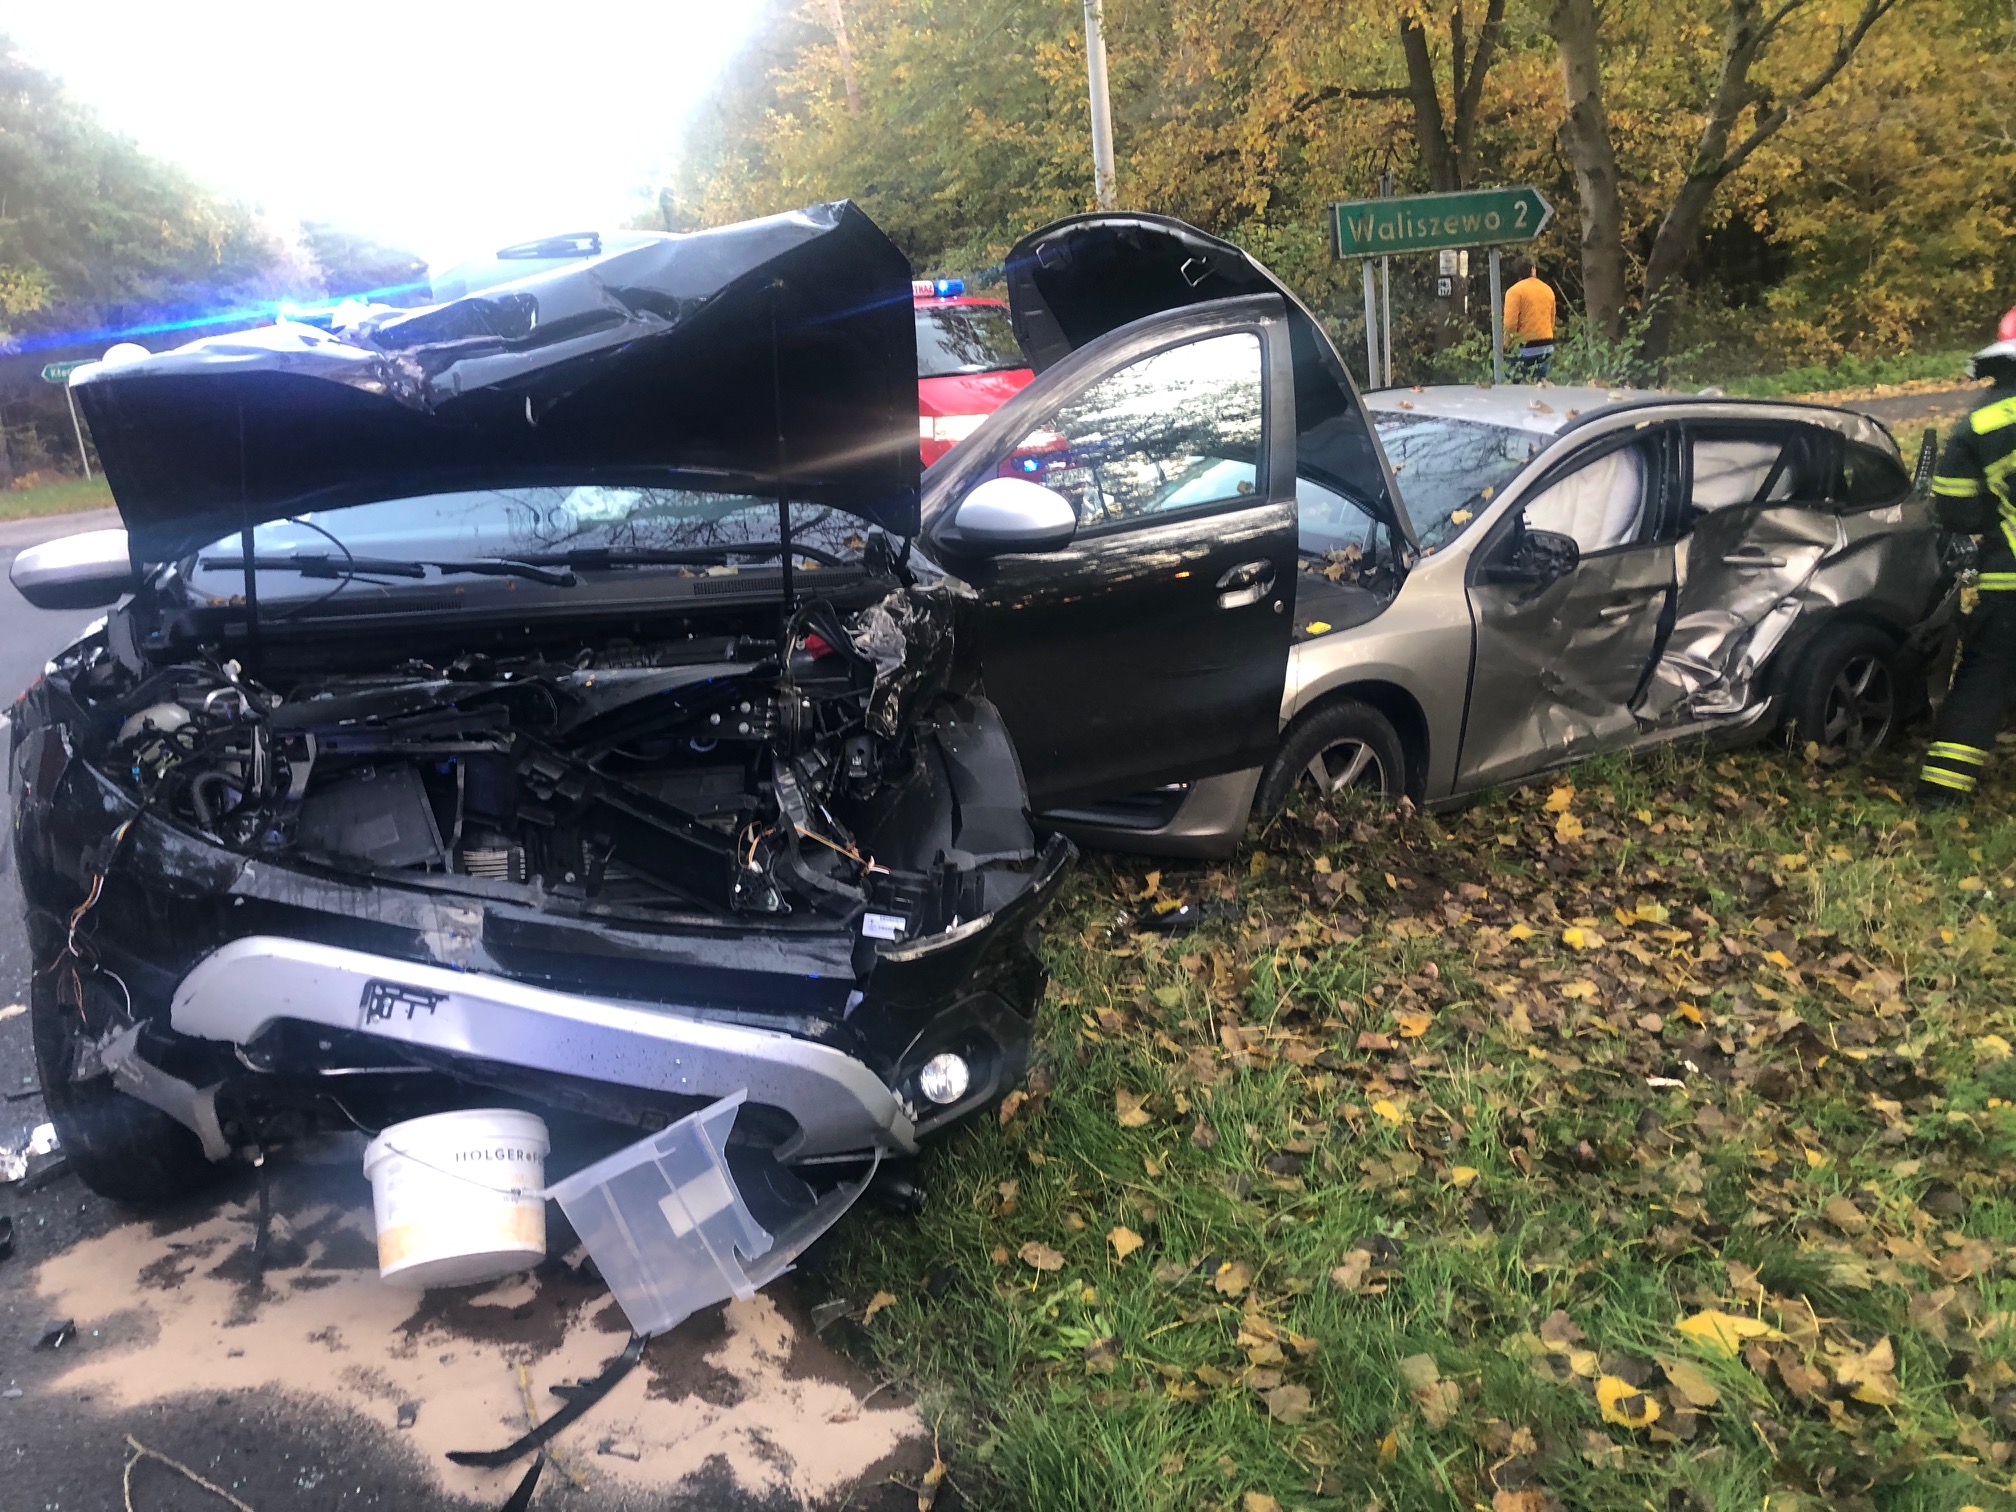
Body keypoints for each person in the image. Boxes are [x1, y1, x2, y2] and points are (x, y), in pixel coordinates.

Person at [1917, 305, 2016, 807]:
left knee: (1985, 677)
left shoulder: (1980, 421)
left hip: (2008, 581)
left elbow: (1955, 508)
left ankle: (1941, 793)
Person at [1502, 256, 1556, 381]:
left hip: (1525, 348)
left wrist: (1506, 345)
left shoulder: (1514, 292)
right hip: (1546, 346)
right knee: (1541, 384)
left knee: (1516, 383)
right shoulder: (1548, 290)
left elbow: (1510, 324)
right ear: (1533, 269)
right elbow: (1551, 320)